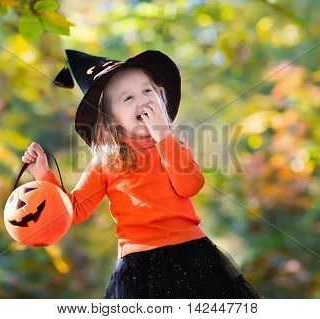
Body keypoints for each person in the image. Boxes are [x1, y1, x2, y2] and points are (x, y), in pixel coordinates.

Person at [21, 49, 263, 298]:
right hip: (138, 266)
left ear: (161, 98)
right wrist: (44, 176)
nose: (142, 100)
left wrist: (163, 138)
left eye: (147, 91)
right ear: (111, 119)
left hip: (192, 253)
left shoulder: (172, 145)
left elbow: (190, 186)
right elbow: (75, 209)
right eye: (128, 98)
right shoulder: (106, 161)